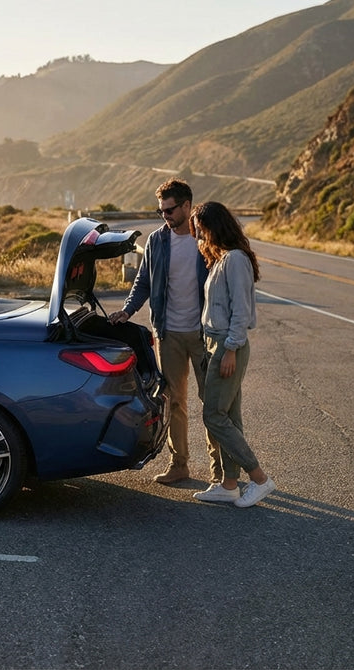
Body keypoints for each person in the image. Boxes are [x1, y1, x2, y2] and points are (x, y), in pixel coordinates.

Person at [109, 178, 219, 485]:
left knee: (212, 403)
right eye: (161, 211)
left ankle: (219, 471)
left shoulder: (205, 240)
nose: (165, 216)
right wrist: (128, 310)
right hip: (168, 333)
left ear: (186, 206)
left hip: (202, 334)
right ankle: (179, 463)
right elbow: (142, 281)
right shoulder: (157, 241)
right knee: (174, 402)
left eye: (169, 210)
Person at [188, 201, 275, 508]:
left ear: (214, 226)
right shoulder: (223, 259)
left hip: (227, 344)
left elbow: (240, 310)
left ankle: (260, 479)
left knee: (213, 414)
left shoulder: (236, 260)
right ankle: (228, 484)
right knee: (229, 415)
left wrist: (230, 350)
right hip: (216, 343)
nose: (197, 233)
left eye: (200, 227)